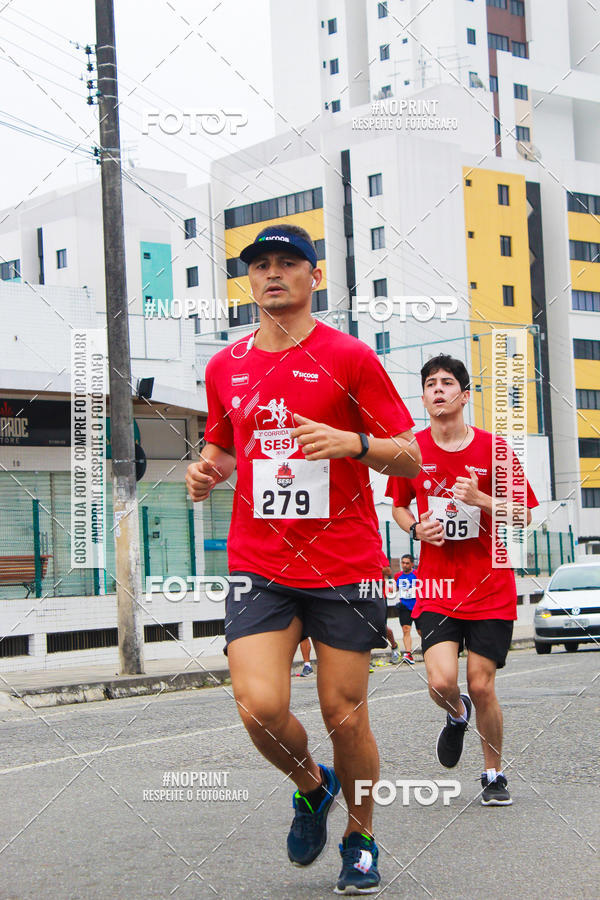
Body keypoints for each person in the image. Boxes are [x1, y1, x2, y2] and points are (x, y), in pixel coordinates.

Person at [186, 223, 420, 893]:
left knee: (344, 711)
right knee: (258, 706)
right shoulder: (224, 366)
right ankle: (312, 785)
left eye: (289, 262)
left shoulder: (349, 358)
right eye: (260, 265)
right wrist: (206, 471)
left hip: (344, 562)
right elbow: (224, 446)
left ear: (314, 277)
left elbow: (408, 453)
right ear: (249, 281)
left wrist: (350, 442)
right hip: (261, 560)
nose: (273, 274)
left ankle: (361, 835)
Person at [386, 354, 537, 806]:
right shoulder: (411, 450)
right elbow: (397, 506)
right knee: (441, 682)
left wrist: (481, 499)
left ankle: (493, 773)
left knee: (482, 683)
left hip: (490, 586)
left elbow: (525, 513)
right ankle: (456, 716)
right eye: (430, 383)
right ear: (424, 396)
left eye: (447, 383)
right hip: (436, 587)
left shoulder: (495, 449)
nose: (437, 390)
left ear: (464, 395)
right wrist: (415, 528)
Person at [394, 554, 417, 663]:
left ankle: (430, 652)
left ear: (412, 564)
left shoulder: (417, 574)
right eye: (403, 563)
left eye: (407, 563)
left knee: (421, 631)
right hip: (404, 606)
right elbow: (396, 588)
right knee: (406, 630)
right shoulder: (398, 576)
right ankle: (408, 654)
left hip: (417, 606)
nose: (404, 565)